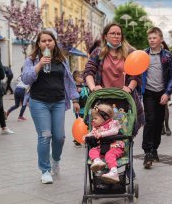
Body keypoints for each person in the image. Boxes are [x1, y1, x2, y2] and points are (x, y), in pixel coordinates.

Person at [22, 30, 79, 184]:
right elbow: (26, 79)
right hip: (39, 102)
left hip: (58, 102)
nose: (47, 43)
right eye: (43, 41)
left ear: (54, 42)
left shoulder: (62, 60)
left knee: (59, 137)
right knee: (45, 135)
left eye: (50, 40)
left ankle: (56, 159)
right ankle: (45, 170)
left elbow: (69, 81)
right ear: (38, 44)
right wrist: (40, 64)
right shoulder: (32, 60)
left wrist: (75, 100)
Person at [84, 23, 145, 136]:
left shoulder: (129, 52)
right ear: (105, 36)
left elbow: (136, 74)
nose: (116, 36)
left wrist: (129, 88)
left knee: (123, 134)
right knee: (102, 131)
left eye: (118, 34)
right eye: (112, 33)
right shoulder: (98, 52)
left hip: (124, 99)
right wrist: (93, 88)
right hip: (103, 100)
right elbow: (89, 71)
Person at [141, 27, 172, 169]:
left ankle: (155, 148)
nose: (152, 40)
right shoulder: (143, 55)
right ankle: (147, 152)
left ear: (161, 39)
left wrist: (167, 93)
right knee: (150, 120)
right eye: (150, 38)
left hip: (162, 93)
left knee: (159, 123)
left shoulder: (167, 56)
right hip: (148, 92)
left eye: (154, 38)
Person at [86, 104, 124, 184]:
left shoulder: (113, 123)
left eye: (95, 118)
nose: (93, 120)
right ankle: (97, 161)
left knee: (109, 155)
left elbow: (114, 131)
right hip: (103, 147)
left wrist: (102, 134)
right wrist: (86, 136)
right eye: (93, 118)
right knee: (92, 150)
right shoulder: (97, 127)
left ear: (105, 117)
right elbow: (92, 133)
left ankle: (114, 172)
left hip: (115, 146)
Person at [73, 70, 89, 147]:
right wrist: (78, 92)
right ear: (76, 78)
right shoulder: (75, 87)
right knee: (79, 123)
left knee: (86, 123)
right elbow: (74, 97)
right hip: (79, 109)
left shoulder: (84, 86)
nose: (83, 78)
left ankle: (85, 137)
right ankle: (77, 139)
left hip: (86, 109)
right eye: (81, 77)